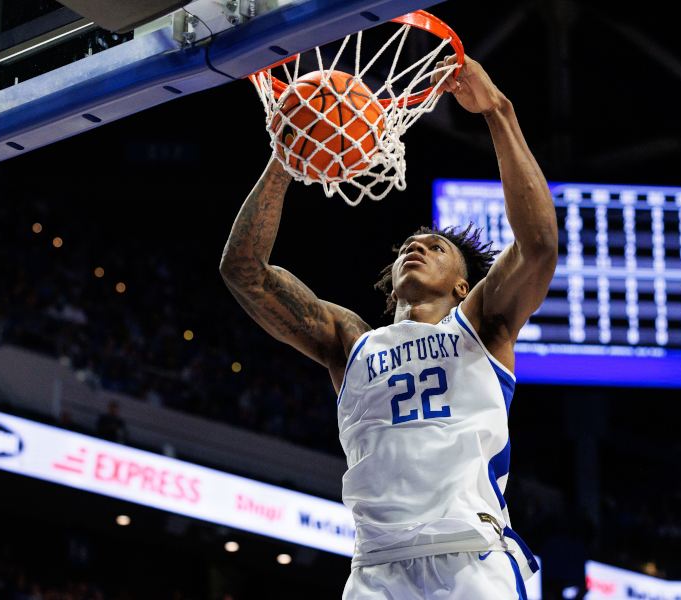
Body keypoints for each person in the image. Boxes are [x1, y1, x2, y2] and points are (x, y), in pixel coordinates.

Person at [220, 54, 558, 599]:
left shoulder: (483, 328)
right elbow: (244, 273)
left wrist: (498, 110)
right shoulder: (350, 342)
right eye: (409, 245)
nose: (416, 246)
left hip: (470, 561)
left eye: (436, 246)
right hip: (376, 568)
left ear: (462, 287)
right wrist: (290, 150)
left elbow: (539, 245)